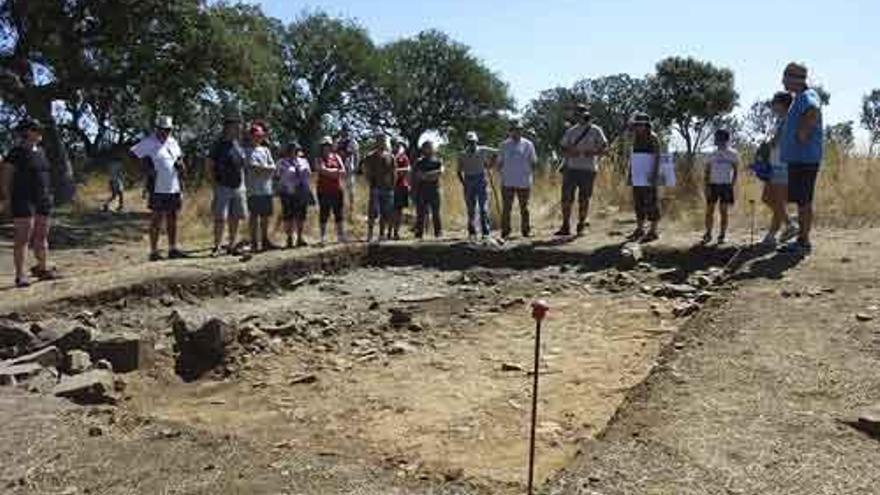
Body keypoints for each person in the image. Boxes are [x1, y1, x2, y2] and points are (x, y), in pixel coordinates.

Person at [1, 119, 58, 287]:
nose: (40, 133)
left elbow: (44, 176)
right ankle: (20, 275)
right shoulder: (15, 153)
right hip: (23, 199)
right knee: (22, 238)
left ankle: (42, 268)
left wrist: (49, 194)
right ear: (27, 132)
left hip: (43, 199)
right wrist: (6, 197)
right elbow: (6, 176)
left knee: (41, 236)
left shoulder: (41, 151)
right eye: (36, 129)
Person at [779, 62, 824, 254]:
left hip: (805, 159)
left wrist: (802, 133)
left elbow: (812, 111)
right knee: (801, 200)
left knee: (804, 201)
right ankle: (801, 240)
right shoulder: (798, 98)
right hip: (798, 159)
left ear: (795, 79)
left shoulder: (808, 96)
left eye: (785, 76)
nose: (782, 80)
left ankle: (803, 242)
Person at [131, 115, 187, 261]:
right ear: (157, 129)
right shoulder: (149, 142)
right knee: (156, 218)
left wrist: (181, 169)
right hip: (156, 186)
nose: (165, 132)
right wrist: (145, 169)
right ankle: (154, 251)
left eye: (168, 130)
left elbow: (179, 158)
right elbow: (133, 155)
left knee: (172, 217)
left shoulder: (173, 142)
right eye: (162, 129)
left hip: (173, 185)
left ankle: (172, 248)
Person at [557, 104, 608, 237]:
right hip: (571, 169)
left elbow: (604, 148)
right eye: (578, 114)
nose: (580, 116)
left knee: (584, 199)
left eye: (582, 114)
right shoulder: (571, 131)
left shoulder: (596, 130)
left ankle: (581, 225)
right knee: (566, 199)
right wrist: (570, 152)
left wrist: (592, 152)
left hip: (588, 169)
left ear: (586, 114)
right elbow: (562, 148)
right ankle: (565, 225)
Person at [760, 92, 798, 247]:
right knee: (769, 199)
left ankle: (778, 231)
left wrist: (766, 145)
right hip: (774, 165)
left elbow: (777, 143)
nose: (772, 105)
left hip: (783, 166)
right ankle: (786, 224)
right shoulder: (781, 120)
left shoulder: (788, 121)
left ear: (783, 104)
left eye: (774, 102)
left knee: (776, 201)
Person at [207, 114, 248, 257]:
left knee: (235, 217)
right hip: (222, 186)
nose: (239, 130)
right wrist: (214, 184)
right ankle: (217, 246)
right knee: (220, 217)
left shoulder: (238, 145)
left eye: (239, 127)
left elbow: (242, 165)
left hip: (238, 186)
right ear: (228, 128)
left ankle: (232, 245)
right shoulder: (218, 145)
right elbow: (210, 165)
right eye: (236, 127)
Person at [497, 120, 537, 239]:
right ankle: (505, 231)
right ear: (510, 131)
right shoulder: (503, 145)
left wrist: (528, 173)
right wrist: (503, 175)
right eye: (514, 130)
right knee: (506, 208)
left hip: (524, 182)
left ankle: (526, 231)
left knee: (524, 208)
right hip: (507, 182)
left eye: (519, 130)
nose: (517, 132)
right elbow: (499, 163)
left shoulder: (528, 144)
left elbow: (534, 161)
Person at [243, 121, 278, 253]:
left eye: (260, 135)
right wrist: (266, 169)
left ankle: (265, 240)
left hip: (266, 188)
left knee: (265, 216)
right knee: (254, 216)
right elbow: (252, 167)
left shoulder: (265, 150)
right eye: (256, 135)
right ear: (251, 136)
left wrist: (264, 169)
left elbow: (273, 167)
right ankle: (254, 242)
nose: (258, 137)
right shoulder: (246, 151)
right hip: (252, 188)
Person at [627, 112, 662, 243]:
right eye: (637, 124)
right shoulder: (636, 137)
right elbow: (634, 157)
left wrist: (654, 174)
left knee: (651, 202)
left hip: (649, 175)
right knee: (638, 202)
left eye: (640, 124)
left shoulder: (653, 137)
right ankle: (639, 228)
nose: (638, 127)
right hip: (637, 175)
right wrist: (631, 174)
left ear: (646, 125)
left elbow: (658, 157)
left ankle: (653, 230)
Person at [702, 129, 740, 245]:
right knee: (709, 210)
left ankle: (722, 235)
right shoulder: (711, 154)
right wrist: (706, 186)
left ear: (726, 140)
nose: (717, 141)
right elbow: (707, 171)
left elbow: (735, 170)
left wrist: (732, 184)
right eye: (717, 138)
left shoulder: (732, 154)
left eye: (720, 138)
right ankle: (708, 233)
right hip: (713, 185)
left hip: (726, 185)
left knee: (723, 211)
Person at [458, 131, 497, 241]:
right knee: (471, 209)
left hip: (480, 179)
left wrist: (490, 163)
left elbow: (497, 152)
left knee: (483, 208)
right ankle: (472, 232)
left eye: (473, 142)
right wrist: (463, 183)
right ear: (467, 142)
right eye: (469, 142)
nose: (472, 144)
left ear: (476, 141)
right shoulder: (462, 154)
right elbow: (459, 171)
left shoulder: (483, 150)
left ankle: (486, 232)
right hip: (468, 180)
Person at [277, 141, 313, 248]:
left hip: (301, 191)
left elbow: (309, 174)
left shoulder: (304, 161)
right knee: (288, 216)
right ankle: (289, 238)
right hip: (288, 191)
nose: (295, 152)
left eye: (297, 150)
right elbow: (278, 175)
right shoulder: (282, 162)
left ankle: (300, 237)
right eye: (292, 150)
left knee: (301, 215)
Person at [361, 134, 396, 243]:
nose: (382, 142)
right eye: (380, 140)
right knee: (373, 212)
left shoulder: (390, 156)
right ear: (376, 142)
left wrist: (392, 186)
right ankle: (370, 235)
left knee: (385, 213)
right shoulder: (370, 156)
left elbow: (394, 172)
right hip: (375, 187)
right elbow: (365, 170)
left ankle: (382, 234)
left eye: (384, 140)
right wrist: (370, 182)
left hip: (388, 188)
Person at [315, 136, 347, 245]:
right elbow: (321, 170)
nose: (326, 147)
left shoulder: (336, 157)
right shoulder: (318, 159)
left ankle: (340, 236)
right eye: (324, 145)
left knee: (338, 213)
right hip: (323, 190)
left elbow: (343, 172)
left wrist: (330, 172)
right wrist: (335, 172)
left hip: (337, 190)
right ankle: (322, 237)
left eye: (328, 145)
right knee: (324, 213)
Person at [413, 140, 444, 239]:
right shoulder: (419, 162)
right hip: (422, 190)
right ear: (423, 149)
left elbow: (441, 172)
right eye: (426, 147)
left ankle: (438, 233)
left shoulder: (438, 161)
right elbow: (418, 176)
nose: (429, 149)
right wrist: (432, 174)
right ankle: (419, 234)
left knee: (436, 212)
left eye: (430, 147)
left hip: (435, 190)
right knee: (421, 213)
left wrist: (426, 175)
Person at [336, 126, 360, 219]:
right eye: (343, 131)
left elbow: (357, 154)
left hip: (349, 168)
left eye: (346, 131)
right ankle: (340, 209)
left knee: (350, 190)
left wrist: (356, 166)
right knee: (339, 189)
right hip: (339, 169)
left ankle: (351, 209)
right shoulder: (338, 142)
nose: (344, 132)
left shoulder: (352, 142)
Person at [391, 139, 411, 240]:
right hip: (389, 187)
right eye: (394, 145)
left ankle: (396, 232)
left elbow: (407, 170)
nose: (396, 147)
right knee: (389, 211)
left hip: (401, 186)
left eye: (398, 145)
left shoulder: (403, 157)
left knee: (399, 210)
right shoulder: (388, 156)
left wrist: (395, 171)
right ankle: (388, 232)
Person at [102, 146, 126, 212]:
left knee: (116, 195)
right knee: (118, 195)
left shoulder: (110, 164)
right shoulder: (119, 164)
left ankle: (117, 206)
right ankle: (111, 205)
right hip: (117, 181)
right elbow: (120, 173)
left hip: (112, 180)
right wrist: (123, 178)